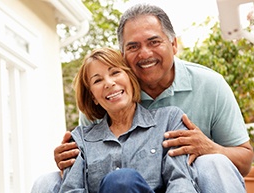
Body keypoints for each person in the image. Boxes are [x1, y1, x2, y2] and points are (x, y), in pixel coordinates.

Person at [31, 3, 252, 193]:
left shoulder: (207, 86)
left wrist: (211, 148)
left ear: (174, 45)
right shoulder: (102, 106)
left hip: (190, 182)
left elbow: (243, 159)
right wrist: (70, 162)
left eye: (154, 42)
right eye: (133, 46)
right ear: (123, 56)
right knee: (47, 182)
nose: (145, 53)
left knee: (211, 163)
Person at [58, 47, 200, 193]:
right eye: (98, 80)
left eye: (115, 72)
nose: (109, 83)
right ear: (93, 96)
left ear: (130, 78)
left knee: (122, 180)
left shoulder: (169, 120)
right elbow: (71, 190)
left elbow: (180, 180)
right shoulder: (79, 140)